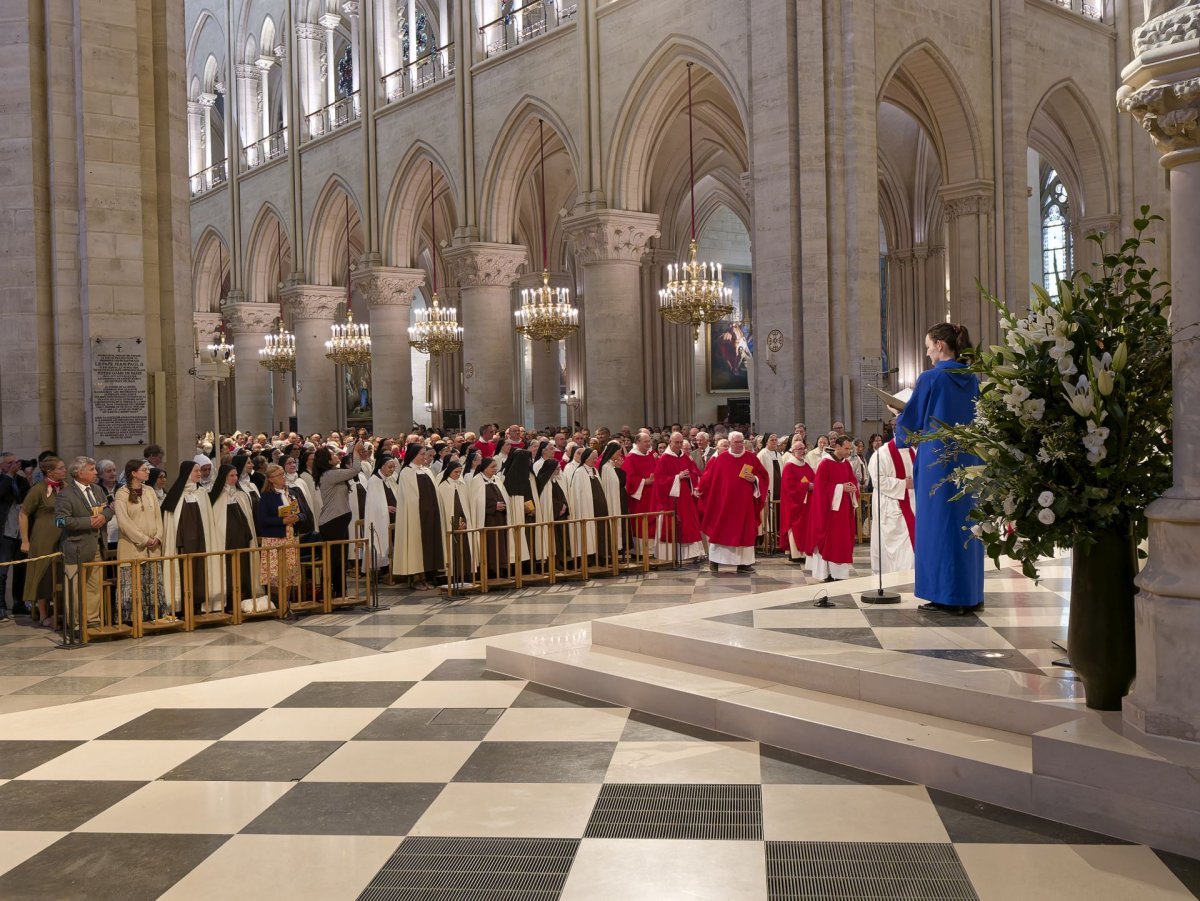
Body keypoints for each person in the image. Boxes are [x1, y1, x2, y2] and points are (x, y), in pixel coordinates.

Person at [896, 322, 985, 613]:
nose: (927, 352)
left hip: (938, 460)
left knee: (937, 527)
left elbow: (913, 421)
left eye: (928, 346)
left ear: (940, 346)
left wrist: (898, 415)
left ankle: (947, 596)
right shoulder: (972, 378)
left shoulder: (931, 379)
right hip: (969, 459)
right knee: (967, 525)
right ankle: (970, 593)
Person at [56, 456, 115, 630]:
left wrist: (104, 516)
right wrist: (88, 522)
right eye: (92, 469)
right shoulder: (65, 494)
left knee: (94, 585)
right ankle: (74, 624)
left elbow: (108, 508)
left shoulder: (97, 489)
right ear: (80, 472)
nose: (96, 472)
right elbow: (60, 521)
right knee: (73, 588)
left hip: (97, 545)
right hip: (75, 546)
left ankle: (92, 620)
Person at [698, 431, 768, 573]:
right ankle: (715, 561)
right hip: (724, 505)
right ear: (730, 443)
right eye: (737, 442)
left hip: (744, 505)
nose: (740, 444)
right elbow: (711, 480)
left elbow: (763, 476)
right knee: (721, 530)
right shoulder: (721, 459)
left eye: (742, 441)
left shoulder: (751, 458)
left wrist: (754, 479)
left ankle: (744, 563)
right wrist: (702, 490)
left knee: (745, 531)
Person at [161, 460, 222, 616]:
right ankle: (182, 606)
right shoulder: (176, 495)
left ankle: (199, 604)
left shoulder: (202, 493)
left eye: (199, 471)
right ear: (187, 474)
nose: (199, 474)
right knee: (182, 573)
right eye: (196, 471)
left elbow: (208, 520)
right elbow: (171, 522)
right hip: (181, 544)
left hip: (201, 542)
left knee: (201, 572)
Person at [113, 459, 168, 625]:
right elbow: (124, 523)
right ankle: (131, 618)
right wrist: (144, 540)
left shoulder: (149, 490)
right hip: (132, 547)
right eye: (144, 469)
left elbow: (158, 516)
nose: (148, 472)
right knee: (132, 584)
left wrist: (158, 536)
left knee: (152, 583)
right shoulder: (122, 493)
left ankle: (154, 615)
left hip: (153, 547)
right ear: (133, 473)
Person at [20, 456, 65, 628]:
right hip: (43, 535)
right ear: (50, 471)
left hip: (62, 534)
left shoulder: (65, 487)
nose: (64, 470)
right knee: (43, 572)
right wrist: (25, 540)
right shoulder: (38, 490)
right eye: (60, 468)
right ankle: (44, 614)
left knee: (59, 572)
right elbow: (23, 513)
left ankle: (60, 611)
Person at [210, 464, 261, 612]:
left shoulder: (242, 495)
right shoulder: (216, 498)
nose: (234, 478)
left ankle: (244, 601)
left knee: (244, 572)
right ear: (223, 477)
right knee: (228, 574)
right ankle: (229, 603)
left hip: (243, 542)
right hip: (225, 544)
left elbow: (248, 521)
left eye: (236, 475)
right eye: (231, 476)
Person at [808, 436, 859, 582]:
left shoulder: (846, 464)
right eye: (846, 448)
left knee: (841, 541)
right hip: (829, 513)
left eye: (850, 449)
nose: (848, 452)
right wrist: (840, 488)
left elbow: (853, 480)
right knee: (830, 541)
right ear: (837, 446)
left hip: (843, 510)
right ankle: (825, 573)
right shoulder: (825, 464)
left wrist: (852, 487)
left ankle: (839, 574)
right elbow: (820, 489)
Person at [314, 447, 359, 599]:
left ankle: (340, 592)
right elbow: (355, 470)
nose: (336, 456)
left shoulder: (333, 473)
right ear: (327, 460)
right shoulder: (329, 475)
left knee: (341, 559)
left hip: (339, 521)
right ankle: (328, 593)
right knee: (334, 560)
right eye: (332, 454)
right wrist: (357, 453)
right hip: (332, 522)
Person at [870, 431, 916, 575]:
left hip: (913, 505)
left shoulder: (913, 451)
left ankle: (912, 574)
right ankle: (894, 575)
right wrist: (903, 483)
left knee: (910, 546)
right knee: (893, 546)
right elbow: (877, 480)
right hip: (890, 507)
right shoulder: (881, 454)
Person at [654, 432, 703, 563]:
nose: (679, 445)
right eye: (676, 442)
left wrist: (693, 482)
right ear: (670, 442)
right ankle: (673, 556)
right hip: (672, 499)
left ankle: (692, 554)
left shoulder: (684, 457)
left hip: (686, 497)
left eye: (681, 442)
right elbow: (659, 481)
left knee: (689, 524)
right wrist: (677, 477)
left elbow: (694, 472)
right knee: (676, 526)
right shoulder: (664, 459)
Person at [255, 464, 301, 599]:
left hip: (291, 537)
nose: (283, 477)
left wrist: (297, 517)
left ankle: (285, 604)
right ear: (270, 479)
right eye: (279, 475)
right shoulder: (266, 496)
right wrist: (282, 521)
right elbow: (263, 520)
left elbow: (304, 512)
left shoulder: (291, 493)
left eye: (283, 474)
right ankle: (278, 603)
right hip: (274, 539)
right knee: (275, 574)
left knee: (289, 573)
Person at [569, 448, 611, 568]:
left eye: (595, 457)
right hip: (586, 510)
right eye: (592, 457)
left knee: (601, 533)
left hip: (600, 510)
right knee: (588, 533)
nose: (594, 460)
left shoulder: (595, 470)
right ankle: (589, 558)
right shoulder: (579, 472)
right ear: (585, 458)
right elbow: (577, 495)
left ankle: (601, 556)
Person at [437, 461, 475, 587]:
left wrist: (464, 521)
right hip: (450, 524)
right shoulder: (443, 486)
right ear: (449, 472)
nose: (458, 474)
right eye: (455, 472)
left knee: (464, 548)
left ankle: (465, 573)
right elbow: (444, 508)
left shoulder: (462, 485)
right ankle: (454, 575)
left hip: (462, 523)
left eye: (460, 472)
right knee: (452, 550)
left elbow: (466, 505)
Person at [621, 433, 659, 557]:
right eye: (645, 441)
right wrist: (645, 482)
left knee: (653, 522)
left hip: (652, 496)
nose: (649, 444)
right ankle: (640, 552)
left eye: (649, 441)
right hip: (639, 498)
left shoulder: (650, 455)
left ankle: (652, 551)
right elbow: (629, 479)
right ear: (637, 442)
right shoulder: (631, 457)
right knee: (641, 524)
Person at [363, 454, 398, 570]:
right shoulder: (374, 480)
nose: (392, 470)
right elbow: (372, 505)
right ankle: (382, 567)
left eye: (394, 467)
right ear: (382, 466)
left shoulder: (391, 479)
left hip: (394, 518)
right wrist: (385, 508)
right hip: (380, 519)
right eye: (390, 467)